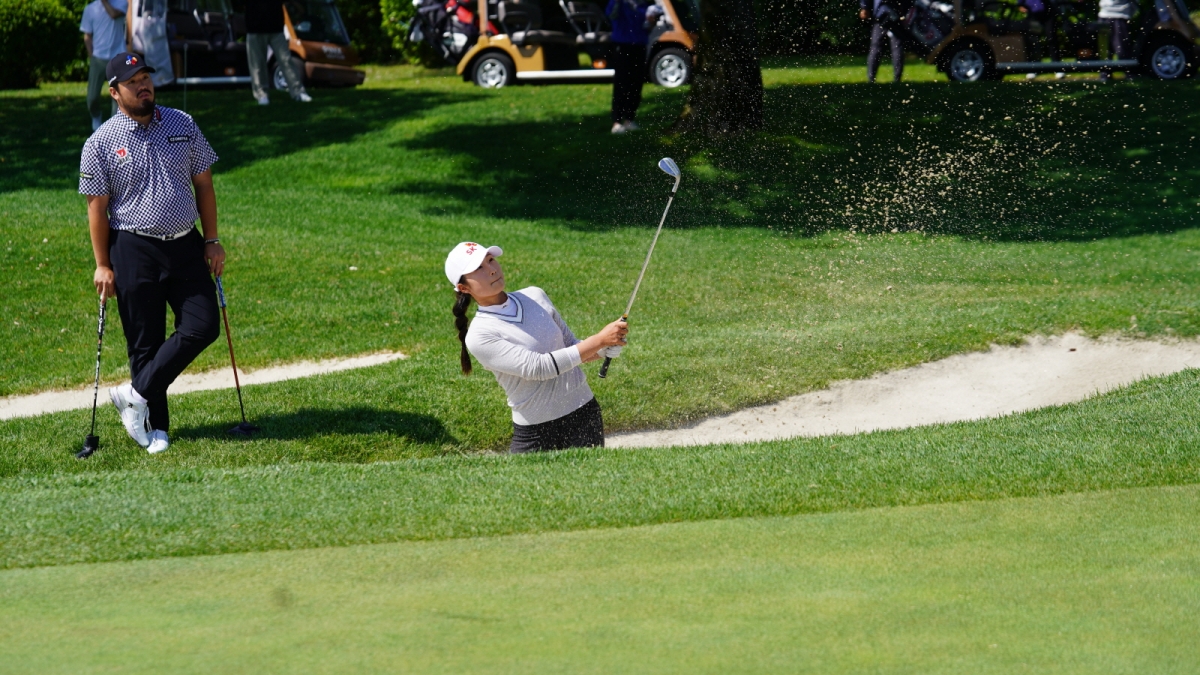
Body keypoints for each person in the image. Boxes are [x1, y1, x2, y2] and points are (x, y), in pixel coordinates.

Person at [79, 53, 225, 455]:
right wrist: (103, 264)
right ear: (114, 92)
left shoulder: (182, 124)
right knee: (145, 343)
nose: (143, 85)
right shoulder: (100, 143)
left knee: (202, 325)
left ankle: (134, 394)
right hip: (133, 248)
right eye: (133, 81)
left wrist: (211, 239)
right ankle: (157, 427)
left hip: (185, 243)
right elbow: (97, 208)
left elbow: (205, 184)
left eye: (145, 77)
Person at [446, 242, 629, 452]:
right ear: (464, 287)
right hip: (537, 433)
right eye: (479, 268)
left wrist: (604, 348)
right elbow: (539, 368)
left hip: (585, 416)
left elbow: (571, 347)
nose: (492, 269)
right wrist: (599, 340)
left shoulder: (535, 295)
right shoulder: (480, 335)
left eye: (490, 260)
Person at [605, 0, 662, 134]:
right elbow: (611, 15)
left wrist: (651, 21)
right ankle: (617, 121)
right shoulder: (618, 3)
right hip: (622, 45)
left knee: (636, 84)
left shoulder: (643, 5)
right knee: (621, 84)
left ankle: (629, 119)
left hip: (639, 45)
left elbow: (647, 26)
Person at [245, 0, 312, 105]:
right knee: (257, 64)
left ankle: (298, 92)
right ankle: (262, 95)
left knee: (286, 60)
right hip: (255, 27)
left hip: (275, 27)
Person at [80, 0, 127, 130]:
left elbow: (113, 14)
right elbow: (87, 36)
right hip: (98, 59)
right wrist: (92, 56)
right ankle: (96, 116)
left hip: (117, 58)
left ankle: (114, 127)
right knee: (92, 98)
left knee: (118, 96)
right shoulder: (90, 9)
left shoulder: (121, 3)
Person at [859, 0, 910, 83]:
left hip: (883, 13)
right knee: (896, 47)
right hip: (894, 13)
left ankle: (871, 78)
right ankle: (897, 78)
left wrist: (865, 7)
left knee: (877, 47)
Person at [1098, 0, 1135, 82]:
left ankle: (1128, 72)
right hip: (1104, 14)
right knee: (1105, 49)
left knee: (1122, 48)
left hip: (1121, 15)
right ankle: (1105, 74)